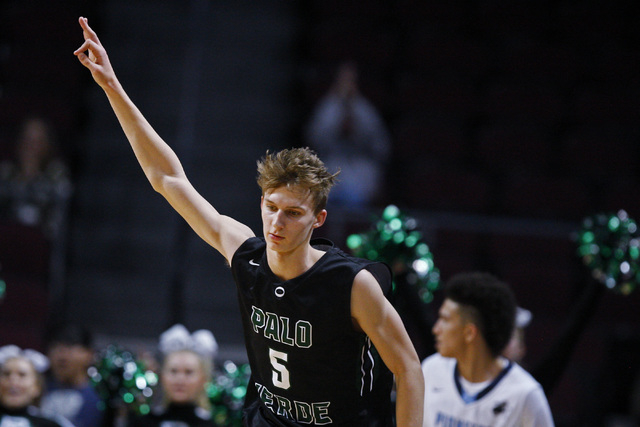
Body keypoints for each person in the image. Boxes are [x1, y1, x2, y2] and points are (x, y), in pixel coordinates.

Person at [74, 16, 423, 427]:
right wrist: (112, 87)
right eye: (271, 206)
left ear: (319, 219)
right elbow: (167, 179)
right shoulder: (245, 252)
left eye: (293, 213)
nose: (277, 221)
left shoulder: (351, 284)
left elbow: (409, 370)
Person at [421, 272, 554, 427]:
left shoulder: (526, 395)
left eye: (445, 319)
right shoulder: (431, 369)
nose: (436, 329)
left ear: (469, 332)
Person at [304, 61, 391, 209]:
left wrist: (358, 131)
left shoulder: (366, 110)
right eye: (344, 79)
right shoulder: (327, 108)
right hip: (331, 160)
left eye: (351, 80)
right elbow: (313, 139)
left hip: (359, 165)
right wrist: (337, 128)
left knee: (363, 188)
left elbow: (381, 145)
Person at [129, 324, 218, 426]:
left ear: (203, 379)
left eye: (188, 372)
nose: (179, 379)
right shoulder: (143, 423)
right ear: (162, 375)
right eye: (173, 371)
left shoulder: (210, 424)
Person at [0, 116, 72, 239]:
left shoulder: (57, 176)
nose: (31, 147)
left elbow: (56, 223)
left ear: (48, 145)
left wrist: (32, 176)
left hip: (40, 247)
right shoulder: (6, 173)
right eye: (27, 140)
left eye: (37, 141)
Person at [39, 323, 104, 427]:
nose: (62, 356)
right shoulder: (36, 391)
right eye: (56, 347)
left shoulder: (102, 397)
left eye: (70, 347)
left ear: (89, 354)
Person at [0, 345, 74, 427]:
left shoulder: (52, 424)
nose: (13, 381)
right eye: (6, 374)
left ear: (37, 387)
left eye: (22, 375)